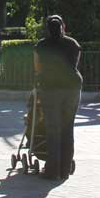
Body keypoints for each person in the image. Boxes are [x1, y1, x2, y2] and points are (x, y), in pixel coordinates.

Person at [34, 15, 82, 181]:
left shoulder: (41, 45)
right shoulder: (73, 44)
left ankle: (52, 170)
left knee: (53, 128)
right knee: (67, 128)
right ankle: (65, 169)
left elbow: (38, 68)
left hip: (50, 87)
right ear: (63, 26)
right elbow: (75, 65)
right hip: (72, 86)